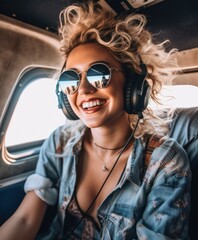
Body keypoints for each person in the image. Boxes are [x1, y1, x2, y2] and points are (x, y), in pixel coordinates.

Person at [0, 1, 191, 239]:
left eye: (99, 74)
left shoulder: (165, 163)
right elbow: (25, 219)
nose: (83, 89)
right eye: (71, 80)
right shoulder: (60, 142)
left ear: (132, 85)